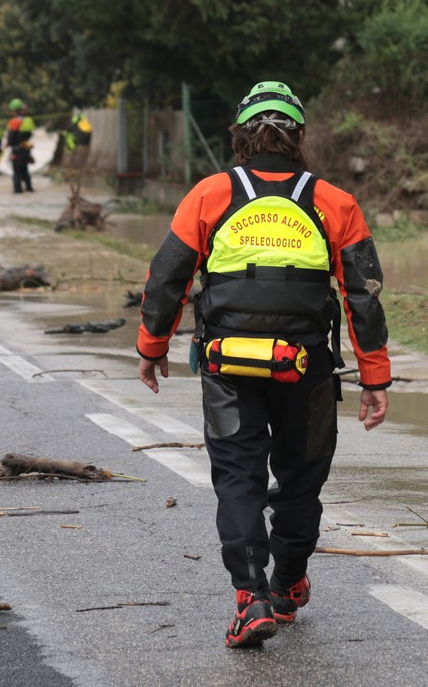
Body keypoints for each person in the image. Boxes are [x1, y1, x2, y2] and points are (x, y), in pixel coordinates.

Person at [135, 80, 390, 649]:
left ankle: (250, 601)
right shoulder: (335, 202)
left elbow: (167, 278)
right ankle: (287, 584)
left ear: (239, 139)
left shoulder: (209, 195)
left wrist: (152, 348)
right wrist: (375, 377)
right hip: (308, 370)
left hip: (228, 367)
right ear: (299, 137)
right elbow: (363, 296)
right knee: (301, 480)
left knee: (238, 479)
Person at [5, 97, 36, 193]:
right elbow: (30, 133)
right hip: (26, 149)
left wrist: (7, 144)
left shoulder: (14, 121)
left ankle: (17, 191)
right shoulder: (28, 120)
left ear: (13, 110)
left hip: (17, 150)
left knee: (17, 173)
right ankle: (29, 188)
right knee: (25, 171)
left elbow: (11, 136)